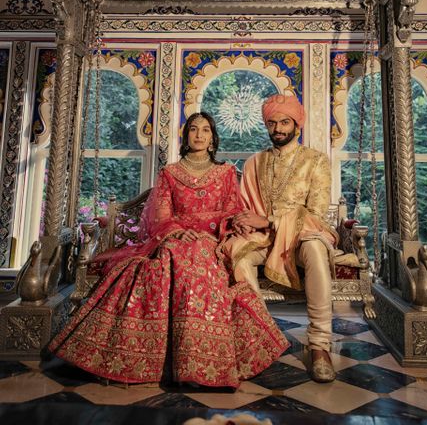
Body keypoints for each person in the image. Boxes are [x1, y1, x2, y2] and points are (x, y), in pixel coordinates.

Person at [49, 112, 288, 387]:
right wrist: (177, 231)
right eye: (194, 129)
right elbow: (161, 216)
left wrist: (219, 226)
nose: (199, 134)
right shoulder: (169, 173)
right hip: (174, 238)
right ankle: (172, 358)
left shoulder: (224, 173)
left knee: (199, 256)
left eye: (206, 130)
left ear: (212, 138)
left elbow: (231, 211)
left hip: (211, 240)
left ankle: (201, 362)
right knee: (168, 258)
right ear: (186, 136)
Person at [226, 94, 338, 383]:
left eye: (284, 122)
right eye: (272, 122)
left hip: (303, 236)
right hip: (263, 239)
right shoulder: (254, 162)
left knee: (314, 249)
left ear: (296, 124)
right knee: (236, 252)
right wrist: (241, 221)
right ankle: (262, 335)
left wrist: (271, 221)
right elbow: (244, 206)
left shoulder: (315, 161)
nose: (278, 128)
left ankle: (319, 345)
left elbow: (316, 214)